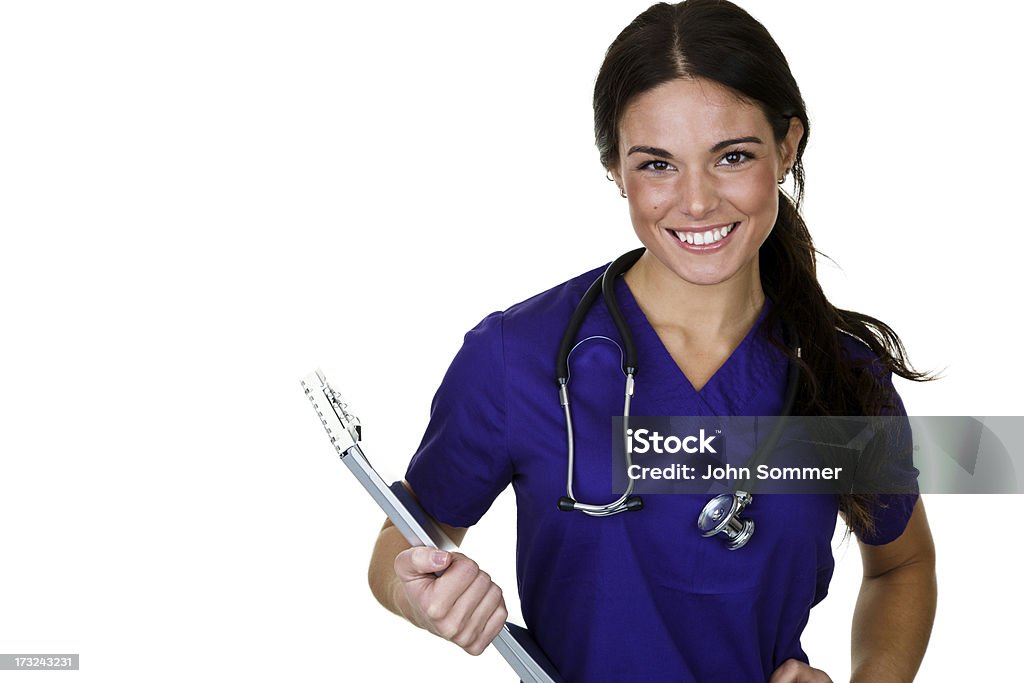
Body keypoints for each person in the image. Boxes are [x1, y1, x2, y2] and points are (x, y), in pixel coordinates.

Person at [367, 1, 937, 680]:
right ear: (614, 167)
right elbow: (399, 546)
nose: (695, 202)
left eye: (732, 155)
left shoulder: (840, 373)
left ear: (787, 146)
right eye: (657, 164)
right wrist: (419, 594)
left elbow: (902, 564)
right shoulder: (515, 359)